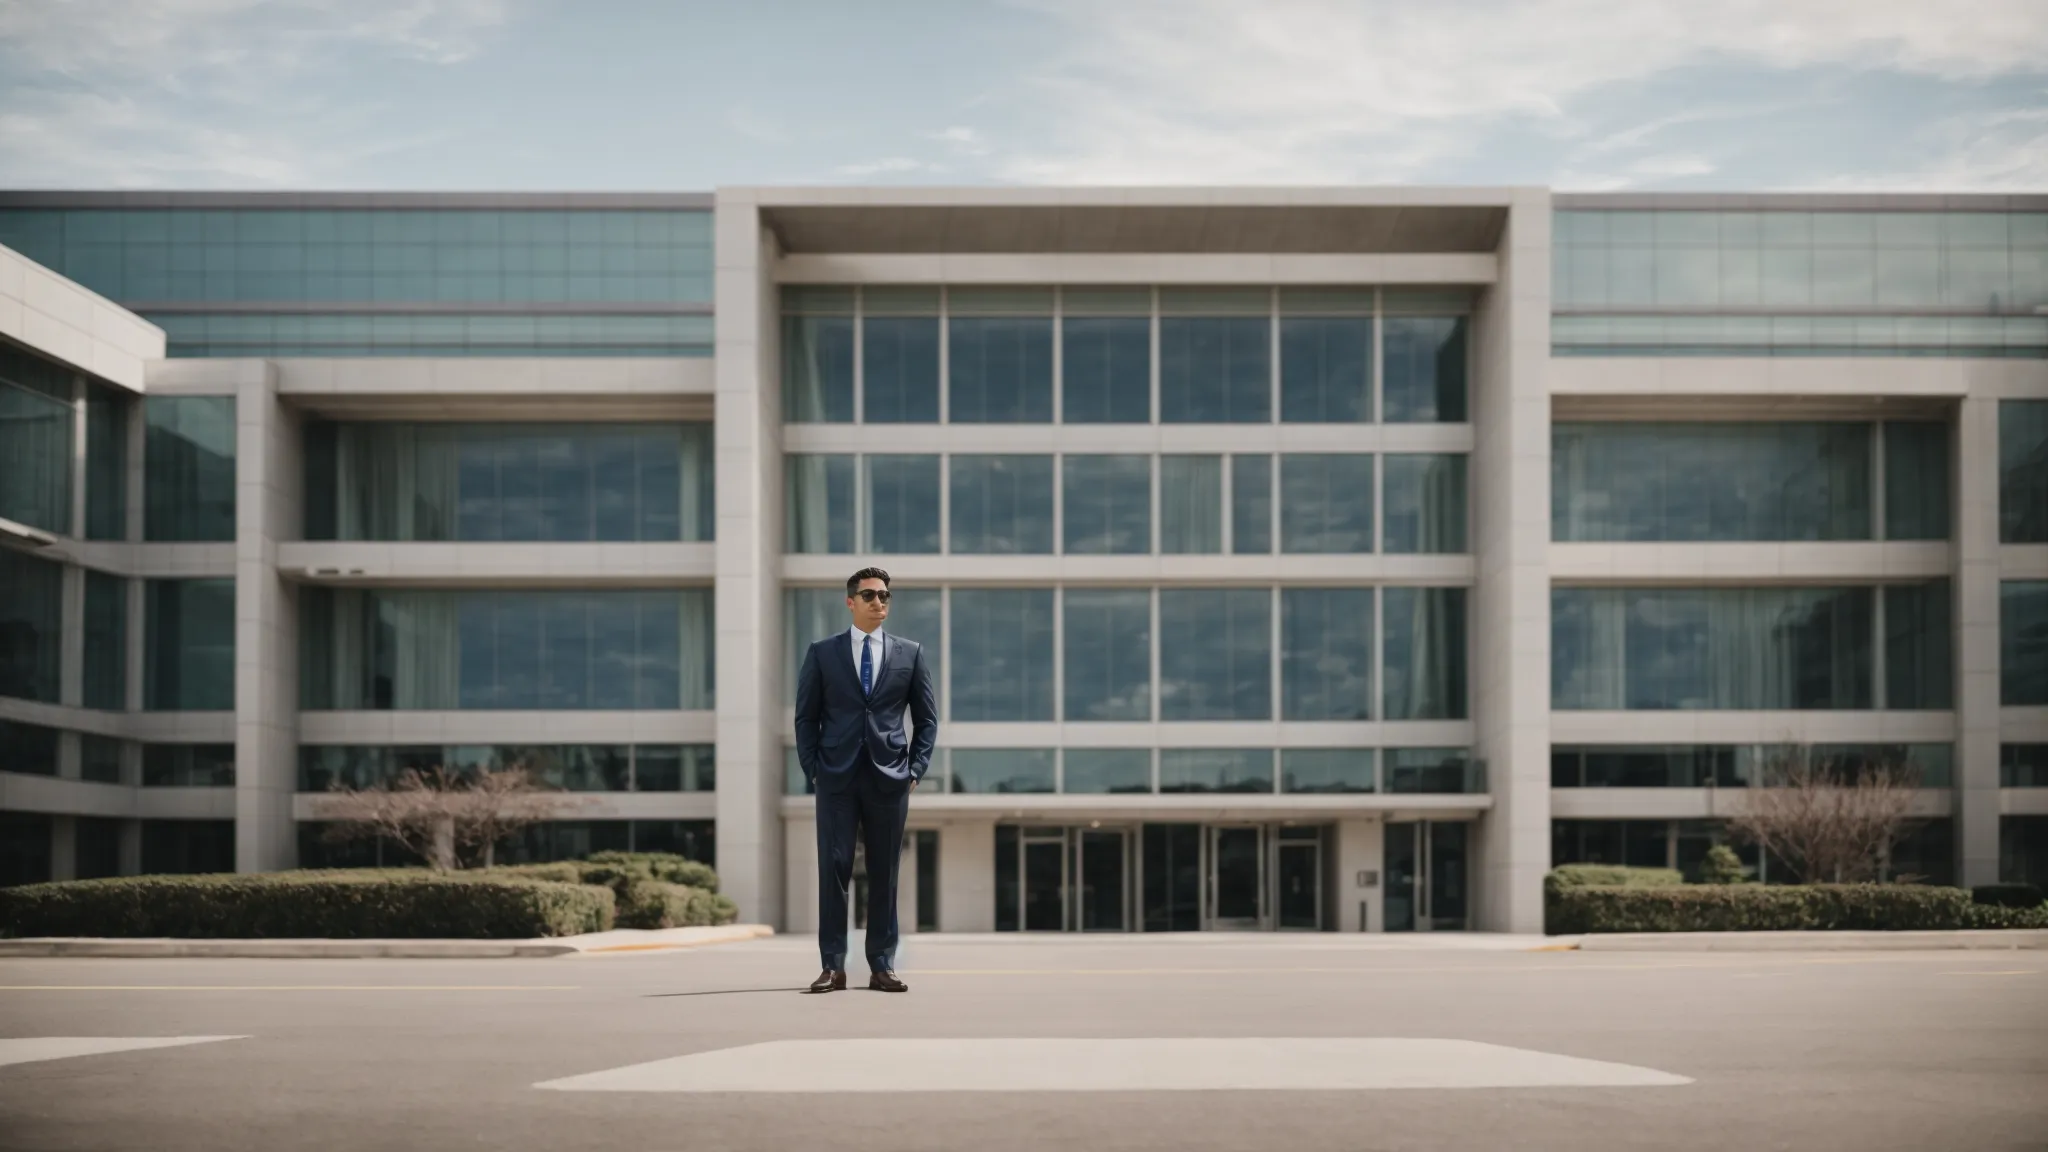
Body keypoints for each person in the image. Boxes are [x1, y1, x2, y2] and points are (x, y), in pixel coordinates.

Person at [793, 566, 937, 993]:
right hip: (835, 777)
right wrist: (813, 769)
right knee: (833, 871)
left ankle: (881, 966)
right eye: (871, 595)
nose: (880, 602)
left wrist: (915, 769)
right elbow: (806, 717)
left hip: (890, 777)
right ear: (851, 601)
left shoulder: (910, 653)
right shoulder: (822, 653)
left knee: (884, 873)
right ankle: (833, 966)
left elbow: (926, 720)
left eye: (885, 596)